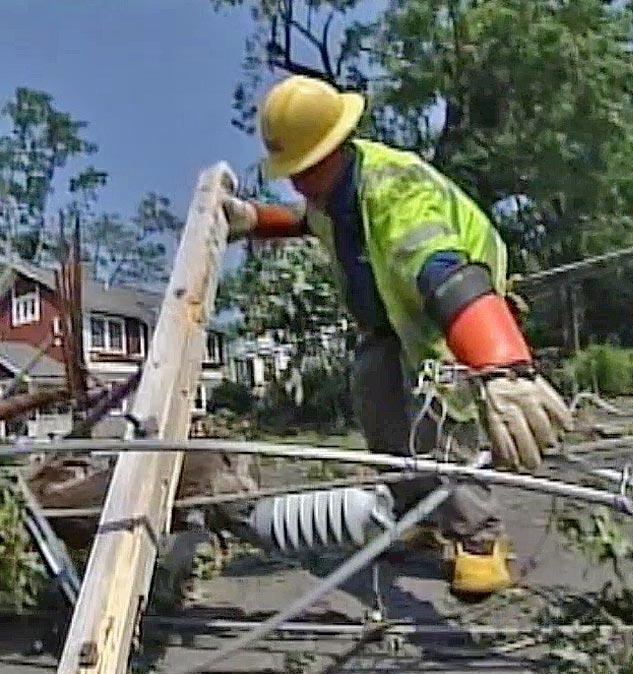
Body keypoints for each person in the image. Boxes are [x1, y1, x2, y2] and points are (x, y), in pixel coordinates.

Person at [223, 76, 573, 595]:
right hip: (389, 318)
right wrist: (254, 220)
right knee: (374, 396)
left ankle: (479, 540)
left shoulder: (394, 192)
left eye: (304, 170)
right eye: (290, 173)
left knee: (436, 414)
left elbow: (445, 272)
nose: (296, 184)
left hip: (451, 307)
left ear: (333, 149)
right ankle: (419, 517)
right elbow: (304, 221)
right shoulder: (328, 193)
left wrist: (501, 366)